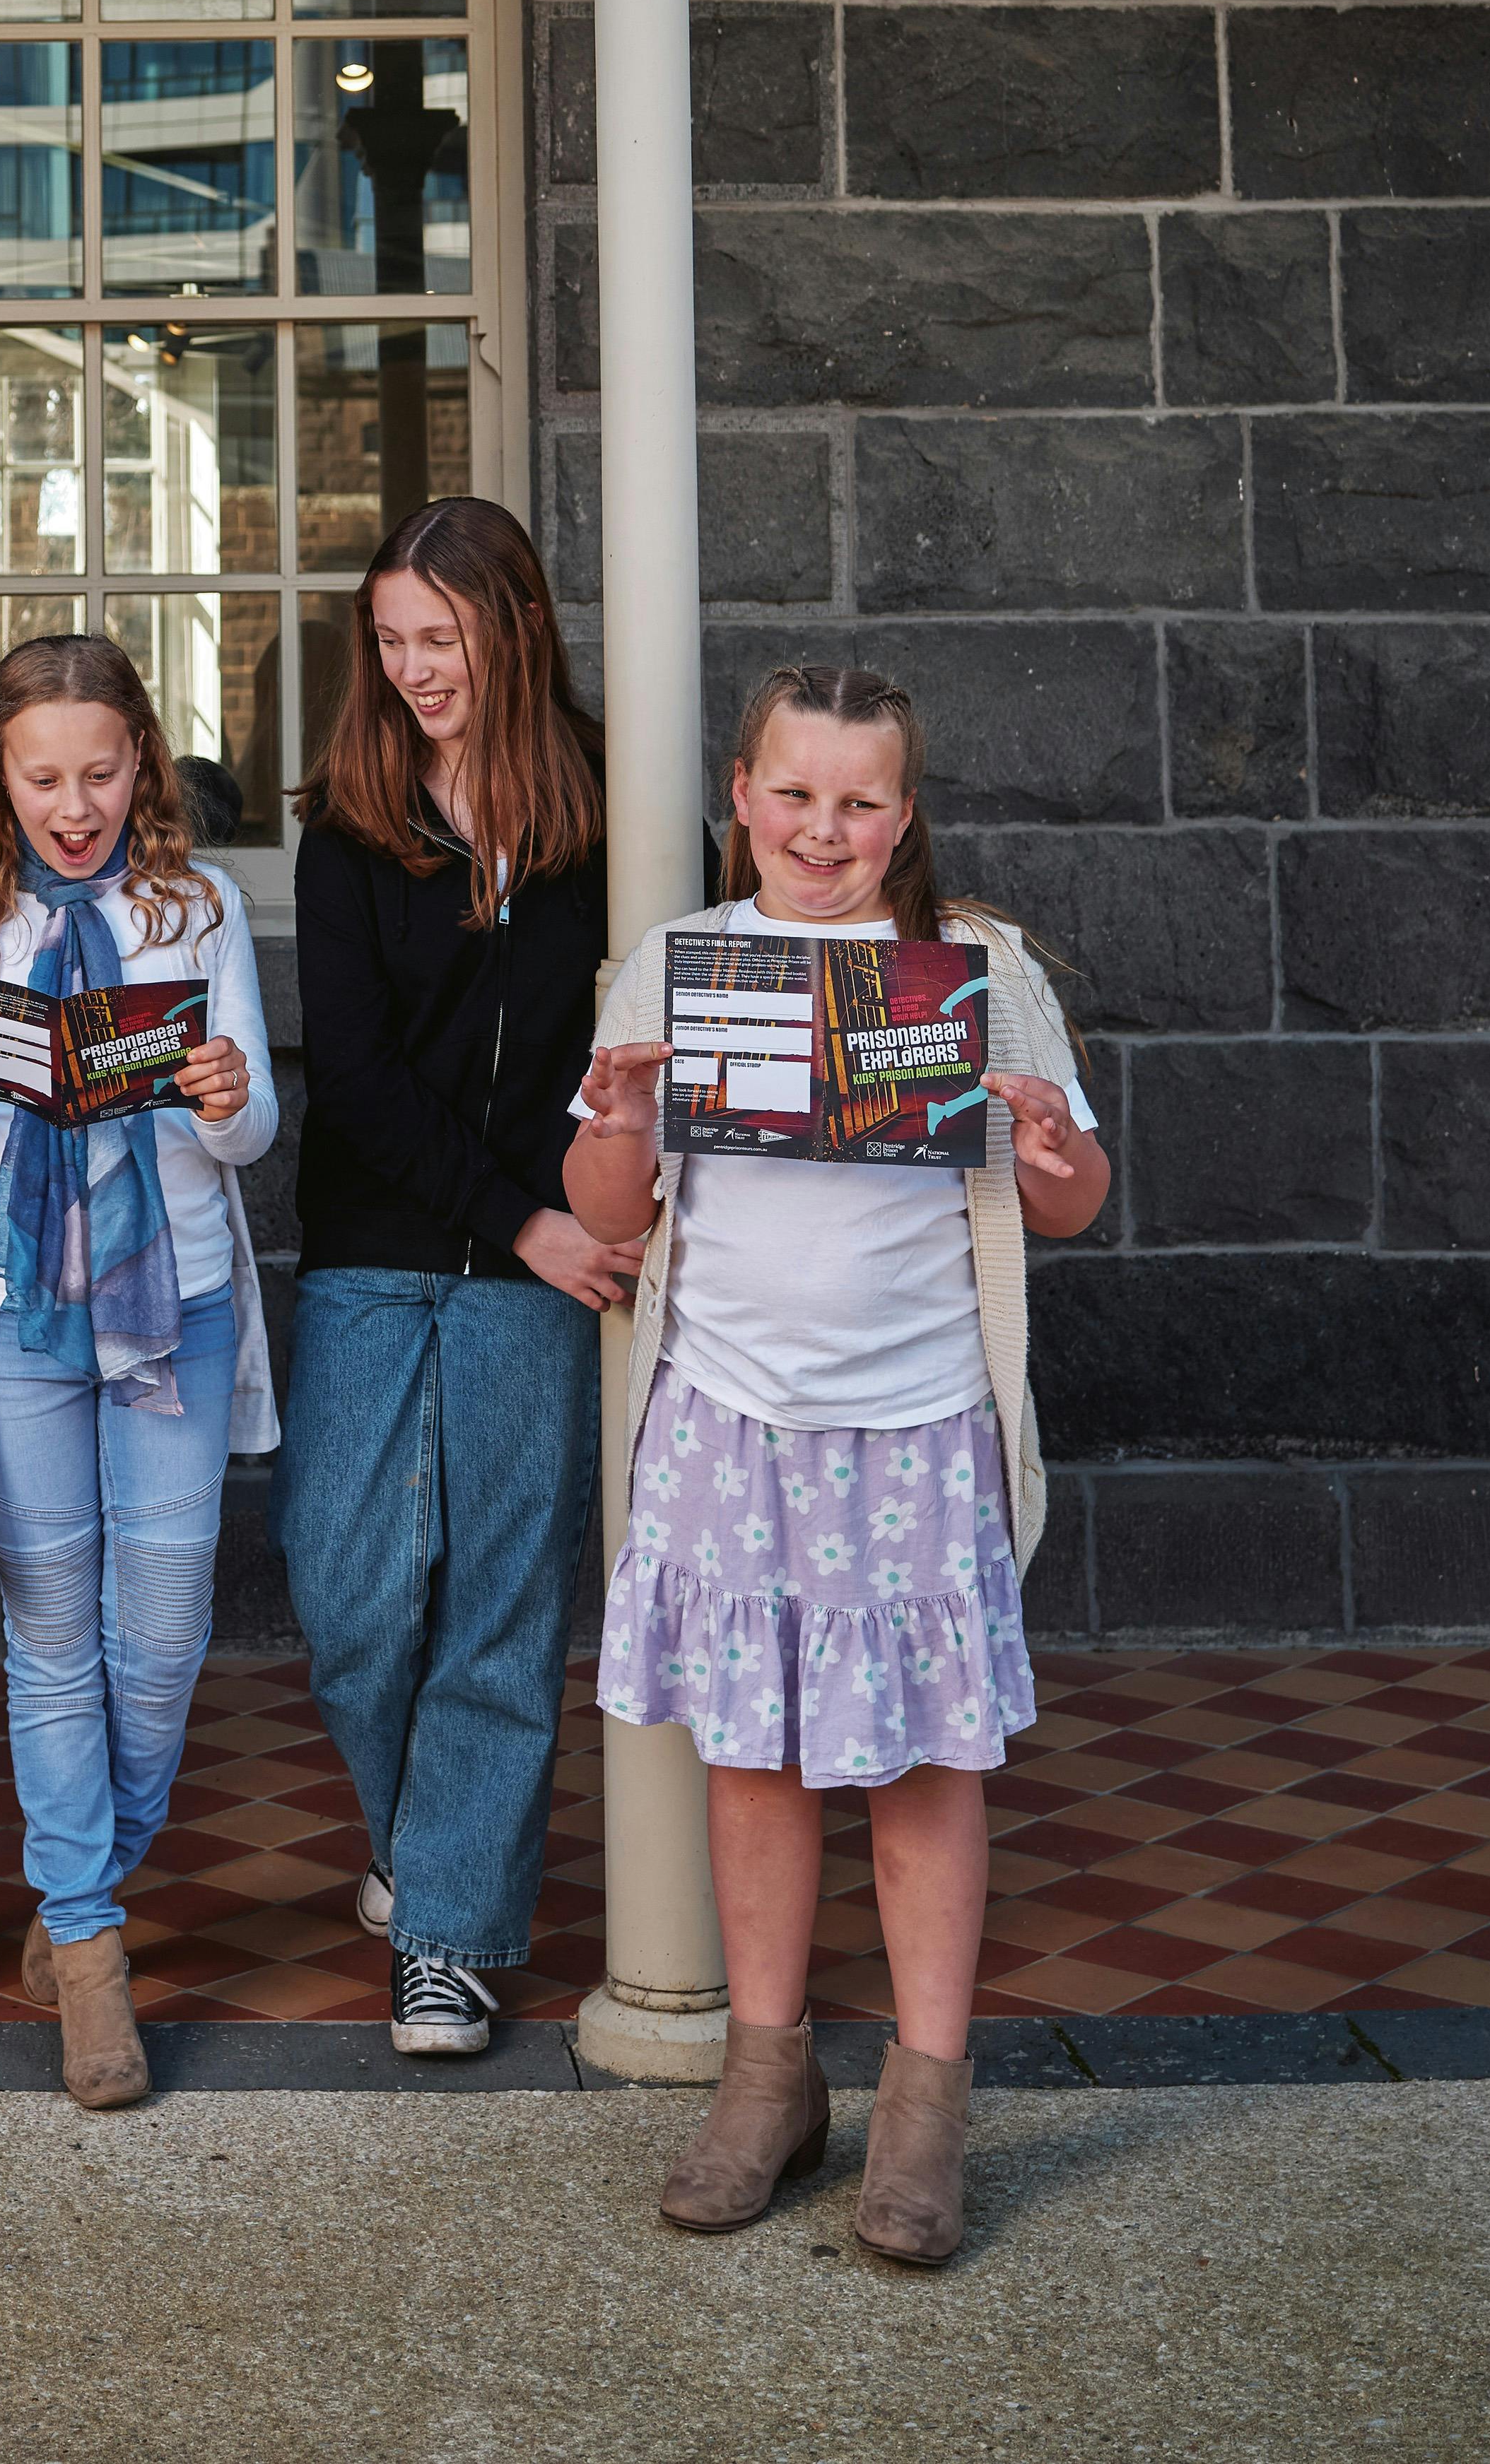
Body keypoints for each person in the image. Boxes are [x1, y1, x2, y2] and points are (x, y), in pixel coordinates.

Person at [564, 661, 1113, 2270]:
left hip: (920, 1418)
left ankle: (927, 2098)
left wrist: (1057, 1161)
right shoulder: (679, 967)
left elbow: (1071, 1196)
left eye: (861, 800)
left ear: (904, 814)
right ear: (740, 796)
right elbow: (613, 1210)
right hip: (733, 1417)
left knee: (930, 1767)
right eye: (794, 794)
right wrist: (612, 1115)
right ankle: (768, 2074)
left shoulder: (978, 971)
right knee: (758, 1757)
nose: (825, 829)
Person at [0, 631, 278, 2113]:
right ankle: (96, 1952)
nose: (73, 802)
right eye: (42, 775)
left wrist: (227, 1094)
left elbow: (250, 1139)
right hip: (20, 1322)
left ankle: (73, 1888)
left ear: (140, 764)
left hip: (175, 1306)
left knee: (163, 1638)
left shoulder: (199, 904)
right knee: (53, 1639)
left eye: (100, 771)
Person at [276, 497, 627, 2062]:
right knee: (348, 1592)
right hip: (378, 1243)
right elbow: (347, 1072)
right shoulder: (352, 822)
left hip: (549, 1263)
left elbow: (640, 1040)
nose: (417, 668)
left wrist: (560, 1221)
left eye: (446, 637)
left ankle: (454, 1939)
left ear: (515, 627)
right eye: (396, 639)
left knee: (499, 1598)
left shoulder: (614, 805)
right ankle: (427, 1841)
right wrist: (515, 1213)